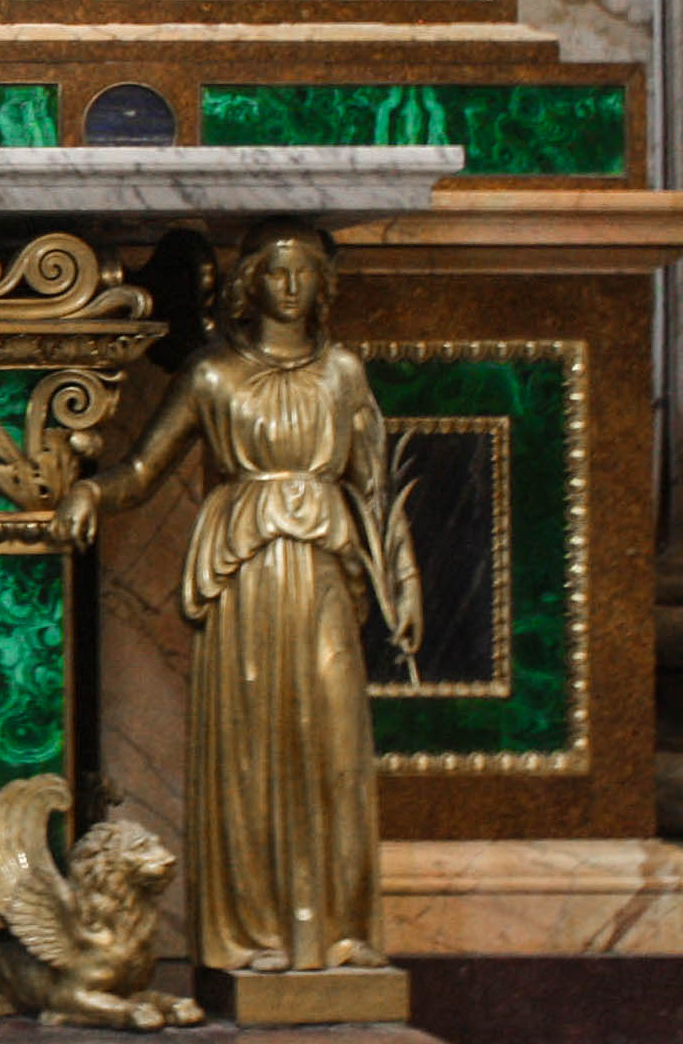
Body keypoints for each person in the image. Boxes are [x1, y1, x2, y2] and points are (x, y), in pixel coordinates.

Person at [54, 222, 419, 975]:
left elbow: (375, 488)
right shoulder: (213, 375)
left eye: (304, 273)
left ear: (323, 286)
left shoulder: (342, 373)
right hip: (245, 575)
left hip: (323, 567)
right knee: (252, 748)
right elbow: (143, 469)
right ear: (248, 283)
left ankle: (339, 929)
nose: (290, 287)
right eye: (276, 273)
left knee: (334, 744)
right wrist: (91, 490)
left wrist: (404, 583)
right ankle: (254, 932)